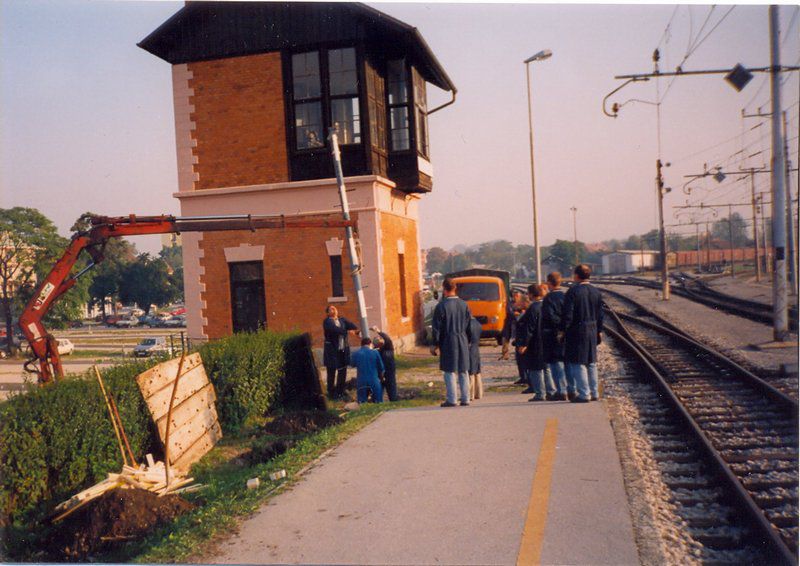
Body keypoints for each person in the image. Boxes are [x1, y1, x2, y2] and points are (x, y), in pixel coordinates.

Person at [562, 264, 604, 403]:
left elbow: (568, 314)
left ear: (577, 276)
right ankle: (594, 392)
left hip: (577, 330)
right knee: (591, 361)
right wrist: (599, 330)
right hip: (592, 328)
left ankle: (584, 393)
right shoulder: (596, 292)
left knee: (578, 362)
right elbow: (600, 314)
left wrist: (563, 330)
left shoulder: (573, 292)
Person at [431, 277, 473, 407]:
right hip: (462, 338)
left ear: (444, 289)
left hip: (448, 340)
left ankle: (452, 399)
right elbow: (469, 324)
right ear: (455, 288)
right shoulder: (464, 304)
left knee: (449, 370)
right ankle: (465, 398)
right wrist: (469, 340)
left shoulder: (441, 306)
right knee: (463, 369)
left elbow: (436, 328)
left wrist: (436, 344)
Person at [516, 284, 556, 401]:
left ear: (532, 295)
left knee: (535, 369)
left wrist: (524, 344)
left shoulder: (533, 308)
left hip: (535, 342)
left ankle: (540, 393)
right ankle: (551, 391)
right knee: (546, 368)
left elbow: (529, 328)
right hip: (547, 340)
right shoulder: (546, 305)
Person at [542, 272, 571, 401]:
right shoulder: (566, 296)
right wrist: (564, 328)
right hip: (566, 332)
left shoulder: (549, 298)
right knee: (566, 362)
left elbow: (549, 315)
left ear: (549, 283)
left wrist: (558, 328)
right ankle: (570, 389)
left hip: (552, 334)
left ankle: (561, 390)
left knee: (556, 363)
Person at [322, 305, 358, 399]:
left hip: (342, 350)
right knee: (331, 372)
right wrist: (347, 331)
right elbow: (335, 330)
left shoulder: (342, 320)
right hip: (332, 351)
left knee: (342, 371)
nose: (334, 310)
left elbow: (353, 326)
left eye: (335, 308)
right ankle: (331, 392)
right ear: (328, 313)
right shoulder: (327, 321)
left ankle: (340, 391)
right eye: (331, 309)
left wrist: (346, 324)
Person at [349, 337, 384, 404]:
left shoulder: (356, 353)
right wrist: (381, 378)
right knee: (378, 402)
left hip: (361, 381)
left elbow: (352, 364)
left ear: (361, 344)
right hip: (374, 380)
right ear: (370, 344)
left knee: (362, 402)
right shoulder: (375, 352)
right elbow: (381, 368)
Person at [371, 326, 398, 402]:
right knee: (386, 387)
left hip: (386, 372)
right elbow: (387, 339)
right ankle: (382, 401)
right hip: (385, 372)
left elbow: (387, 339)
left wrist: (378, 331)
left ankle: (388, 400)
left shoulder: (385, 349)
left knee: (386, 387)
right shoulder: (387, 349)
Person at [468, 315, 483, 401]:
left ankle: (470, 394)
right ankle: (479, 393)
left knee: (470, 372)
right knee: (477, 372)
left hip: (469, 348)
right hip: (476, 347)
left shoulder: (467, 324)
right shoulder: (478, 323)